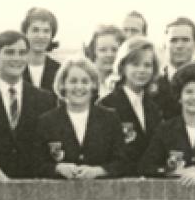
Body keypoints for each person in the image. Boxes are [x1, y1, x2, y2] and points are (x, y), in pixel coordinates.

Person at [0, 30, 60, 178]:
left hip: (32, 183)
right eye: (9, 52)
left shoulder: (45, 99)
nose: (17, 58)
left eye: (22, 53)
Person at [37, 58, 128, 179]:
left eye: (85, 82)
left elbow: (122, 162)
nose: (79, 87)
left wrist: (99, 171)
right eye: (73, 81)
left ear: (94, 85)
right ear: (63, 85)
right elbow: (36, 163)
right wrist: (57, 168)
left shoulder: (110, 118)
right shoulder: (47, 121)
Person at [97, 36, 166, 175]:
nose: (142, 70)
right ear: (122, 66)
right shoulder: (105, 105)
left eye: (147, 65)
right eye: (135, 64)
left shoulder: (154, 107)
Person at [20, 7, 62, 91]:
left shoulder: (59, 71)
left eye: (46, 31)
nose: (41, 36)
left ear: (52, 35)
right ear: (25, 33)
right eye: (35, 30)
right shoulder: (15, 68)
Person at [82, 25, 126, 98]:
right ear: (93, 52)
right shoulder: (84, 82)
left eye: (114, 50)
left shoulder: (127, 84)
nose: (109, 54)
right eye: (103, 50)